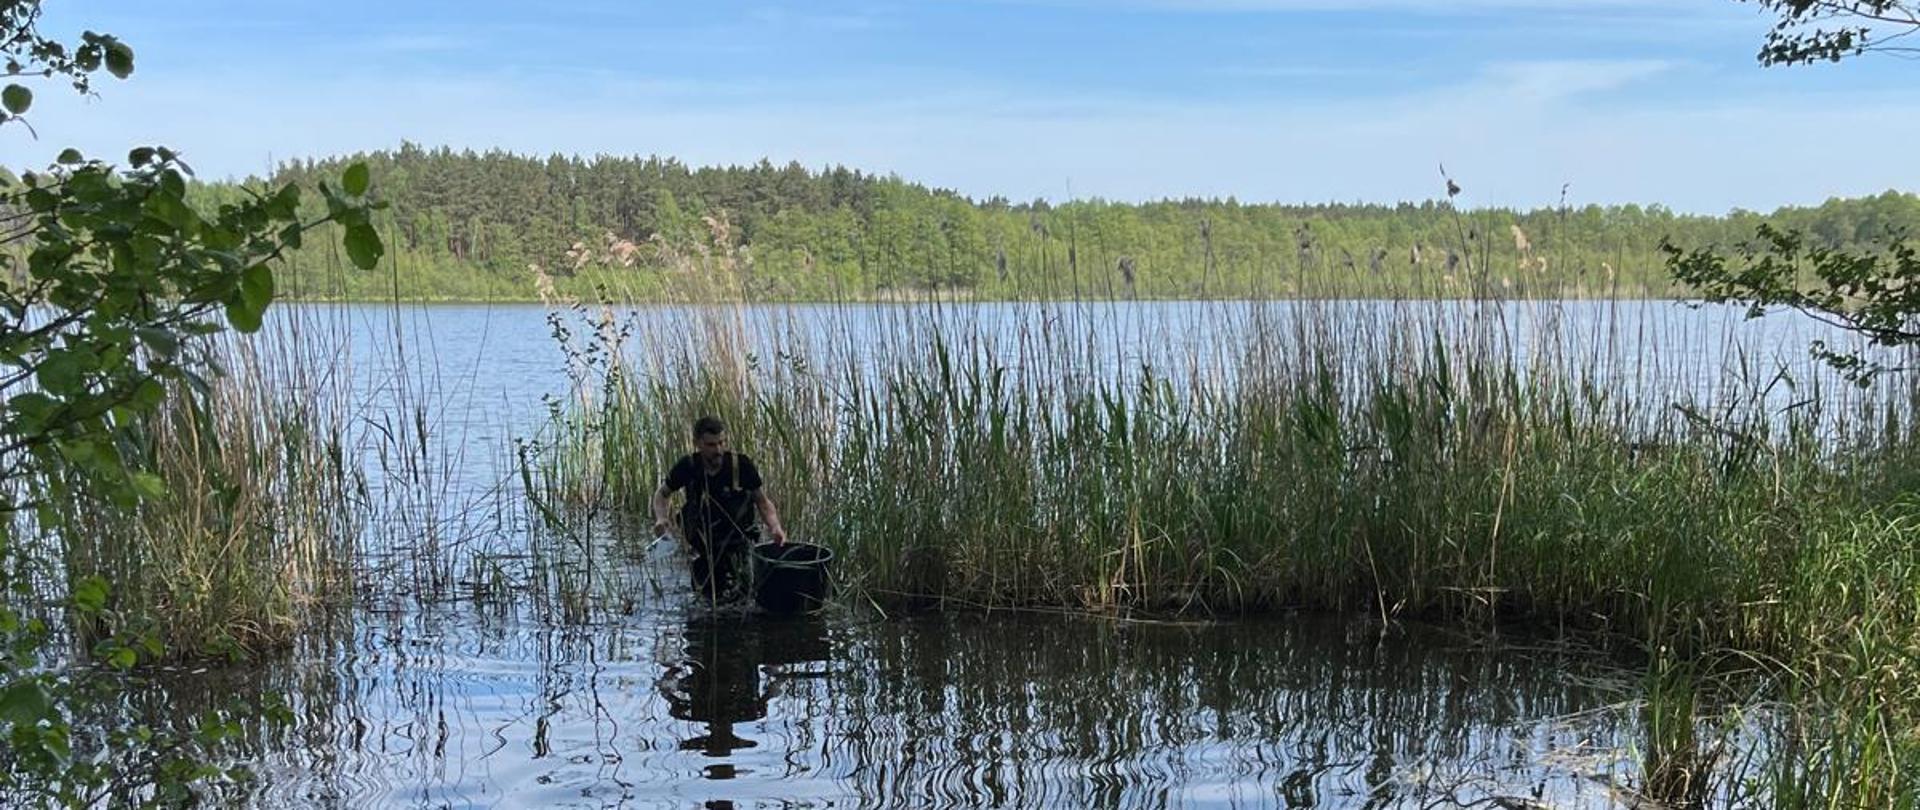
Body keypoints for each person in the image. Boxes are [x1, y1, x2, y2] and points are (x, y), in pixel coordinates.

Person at [651, 416, 787, 600]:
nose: (718, 450)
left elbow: (762, 502)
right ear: (697, 443)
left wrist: (775, 527)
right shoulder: (688, 466)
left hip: (739, 544)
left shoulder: (741, 466)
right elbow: (662, 494)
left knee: (744, 596)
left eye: (721, 443)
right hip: (704, 547)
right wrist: (661, 518)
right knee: (706, 600)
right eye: (711, 445)